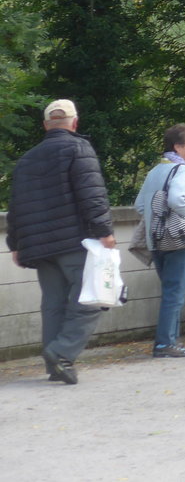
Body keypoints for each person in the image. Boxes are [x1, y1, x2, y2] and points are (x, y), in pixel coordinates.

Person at [6, 99, 116, 384]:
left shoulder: (27, 158)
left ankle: (56, 367)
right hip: (74, 242)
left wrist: (15, 243)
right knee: (92, 300)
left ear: (45, 126)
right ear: (75, 123)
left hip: (40, 248)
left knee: (53, 304)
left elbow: (15, 205)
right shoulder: (79, 148)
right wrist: (104, 230)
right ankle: (62, 352)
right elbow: (92, 194)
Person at [134, 124, 185, 358]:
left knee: (169, 291)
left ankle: (169, 340)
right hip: (178, 239)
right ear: (178, 147)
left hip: (156, 240)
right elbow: (176, 198)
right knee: (175, 293)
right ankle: (165, 343)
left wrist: (158, 218)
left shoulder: (155, 171)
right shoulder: (181, 170)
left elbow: (140, 206)